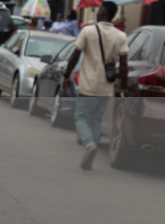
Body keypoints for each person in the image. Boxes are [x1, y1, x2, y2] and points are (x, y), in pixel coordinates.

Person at [63, 1, 128, 170]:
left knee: (81, 117)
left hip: (88, 85)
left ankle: (89, 144)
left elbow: (75, 56)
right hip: (107, 87)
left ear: (104, 13)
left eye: (100, 10)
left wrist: (66, 75)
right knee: (97, 120)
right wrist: (123, 87)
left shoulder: (88, 31)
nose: (98, 12)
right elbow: (124, 65)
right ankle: (92, 149)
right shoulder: (121, 36)